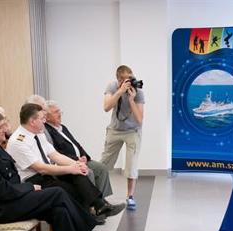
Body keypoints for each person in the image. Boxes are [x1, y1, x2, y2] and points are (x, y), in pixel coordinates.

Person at [7, 103, 124, 217]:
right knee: (73, 189)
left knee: (77, 174)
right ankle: (91, 216)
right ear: (32, 121)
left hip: (47, 174)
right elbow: (41, 168)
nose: (44, 121)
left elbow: (55, 155)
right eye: (42, 118)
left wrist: (77, 164)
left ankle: (99, 206)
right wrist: (71, 168)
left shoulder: (37, 133)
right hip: (33, 180)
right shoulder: (18, 141)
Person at [45, 100, 117, 199]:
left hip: (81, 159)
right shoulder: (47, 132)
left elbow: (76, 144)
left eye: (60, 111)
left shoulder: (62, 127)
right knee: (88, 172)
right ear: (47, 117)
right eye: (56, 112)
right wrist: (76, 159)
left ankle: (102, 200)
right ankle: (93, 202)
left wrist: (84, 156)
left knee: (101, 168)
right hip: (69, 162)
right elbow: (57, 153)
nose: (60, 114)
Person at [100, 65, 145, 210]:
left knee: (132, 165)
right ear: (119, 80)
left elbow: (139, 119)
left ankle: (130, 196)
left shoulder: (138, 90)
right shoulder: (112, 87)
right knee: (104, 163)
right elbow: (106, 107)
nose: (129, 82)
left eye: (131, 78)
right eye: (126, 80)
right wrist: (120, 91)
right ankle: (98, 195)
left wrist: (131, 100)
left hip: (133, 131)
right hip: (115, 129)